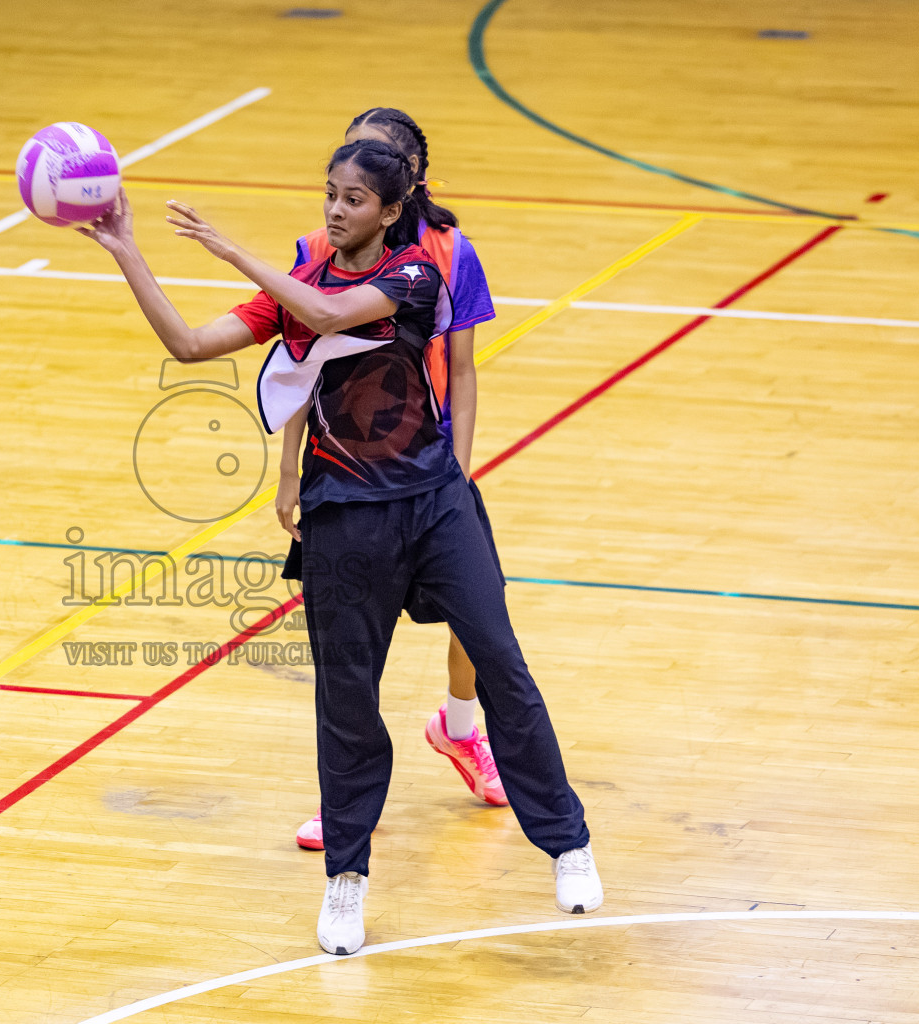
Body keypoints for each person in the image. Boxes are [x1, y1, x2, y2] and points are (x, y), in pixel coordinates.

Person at [79, 139, 601, 958]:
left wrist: (227, 247)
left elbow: (327, 316)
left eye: (354, 198)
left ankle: (568, 843)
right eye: (330, 193)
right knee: (348, 702)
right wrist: (126, 250)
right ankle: (347, 883)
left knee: (500, 659)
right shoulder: (298, 287)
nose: (335, 209)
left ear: (391, 214)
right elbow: (187, 342)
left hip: (432, 505)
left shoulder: (412, 277)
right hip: (343, 517)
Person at [291, 107, 505, 855]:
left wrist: (462, 467)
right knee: (353, 648)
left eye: (374, 164)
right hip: (349, 471)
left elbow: (467, 368)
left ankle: (457, 726)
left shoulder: (447, 251)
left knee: (480, 619)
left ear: (403, 185)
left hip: (432, 461)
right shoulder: (320, 248)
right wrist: (288, 470)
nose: (353, 177)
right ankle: (348, 805)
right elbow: (298, 361)